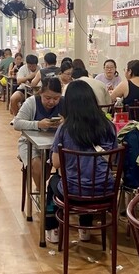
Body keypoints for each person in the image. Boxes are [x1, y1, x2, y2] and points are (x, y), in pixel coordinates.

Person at [45, 80, 118, 244]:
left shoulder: (65, 129)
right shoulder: (109, 127)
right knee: (89, 177)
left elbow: (56, 163)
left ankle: (52, 228)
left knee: (52, 183)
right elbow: (112, 159)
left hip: (73, 192)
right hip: (105, 191)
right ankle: (85, 227)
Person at [14, 77, 63, 192]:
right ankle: (41, 193)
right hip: (29, 143)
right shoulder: (31, 102)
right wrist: (38, 124)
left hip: (53, 144)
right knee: (37, 165)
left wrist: (64, 123)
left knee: (47, 171)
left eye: (56, 98)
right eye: (47, 98)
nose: (52, 102)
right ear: (40, 93)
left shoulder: (64, 102)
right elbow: (17, 123)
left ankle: (46, 191)